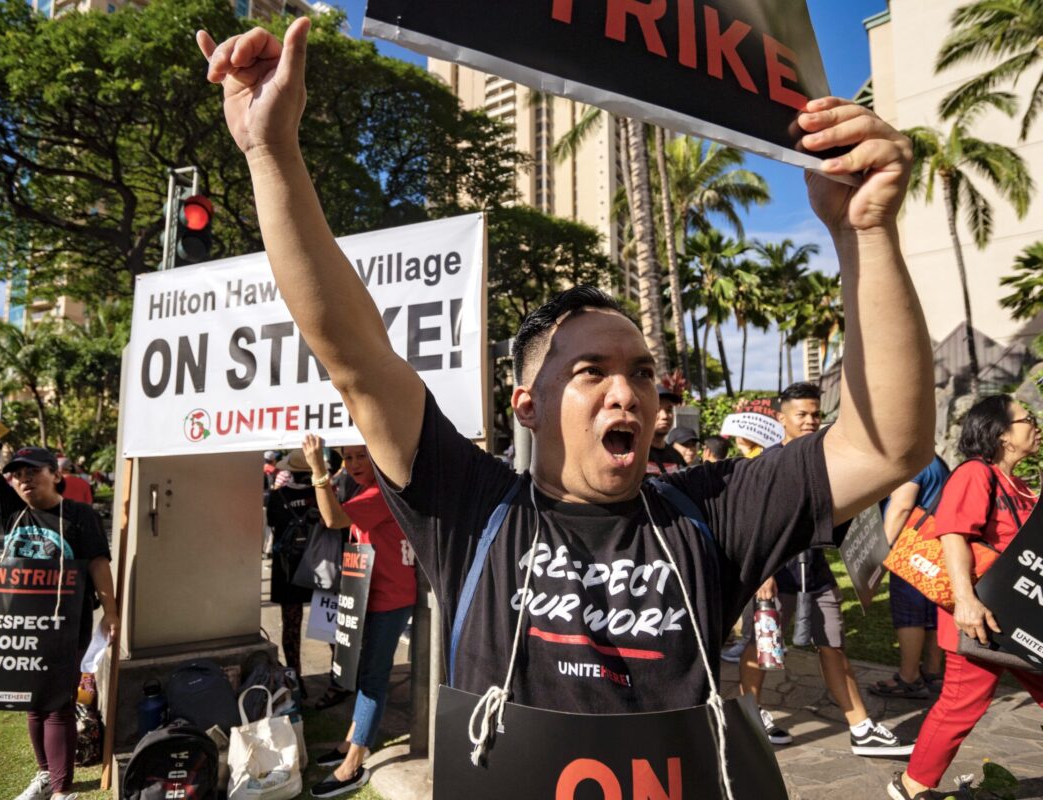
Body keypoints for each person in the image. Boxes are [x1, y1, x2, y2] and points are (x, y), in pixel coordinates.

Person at [197, 11, 932, 771]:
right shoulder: (472, 510)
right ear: (527, 406)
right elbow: (352, 352)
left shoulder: (713, 513)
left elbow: (888, 446)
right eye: (593, 373)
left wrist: (865, 231)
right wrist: (271, 151)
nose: (629, 394)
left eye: (643, 373)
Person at [0, 395, 117, 800]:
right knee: (31, 702)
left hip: (67, 623)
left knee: (59, 702)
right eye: (17, 475)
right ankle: (45, 776)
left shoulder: (80, 517)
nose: (24, 479)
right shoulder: (12, 510)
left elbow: (99, 564)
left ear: (55, 475)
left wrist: (112, 612)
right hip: (19, 622)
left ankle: (62, 789)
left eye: (33, 472)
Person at [737, 383, 912, 755]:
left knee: (832, 644)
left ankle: (861, 727)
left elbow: (848, 516)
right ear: (781, 418)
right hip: (775, 573)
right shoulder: (765, 465)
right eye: (801, 414)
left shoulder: (827, 463)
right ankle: (750, 716)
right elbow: (751, 526)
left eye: (815, 413)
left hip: (816, 572)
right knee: (761, 645)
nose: (810, 420)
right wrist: (761, 574)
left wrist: (868, 558)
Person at [891, 397, 1043, 800]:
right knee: (961, 704)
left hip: (1019, 617)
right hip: (979, 618)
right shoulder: (975, 474)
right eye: (1028, 419)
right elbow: (953, 534)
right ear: (1002, 434)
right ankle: (912, 786)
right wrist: (965, 601)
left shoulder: (1023, 486)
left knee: (962, 703)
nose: (1036, 424)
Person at [301, 435, 416, 798]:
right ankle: (351, 739)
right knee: (363, 671)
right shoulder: (367, 489)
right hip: (368, 596)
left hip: (389, 600)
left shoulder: (379, 493)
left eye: (360, 456)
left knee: (372, 678)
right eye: (347, 457)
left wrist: (318, 469)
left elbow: (333, 518)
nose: (353, 463)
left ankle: (353, 763)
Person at [870, 455, 950, 699]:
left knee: (910, 615)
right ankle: (933, 671)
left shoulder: (913, 463)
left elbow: (902, 506)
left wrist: (880, 552)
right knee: (931, 613)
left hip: (910, 549)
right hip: (934, 550)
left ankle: (909, 678)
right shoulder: (936, 462)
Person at [265, 450, 318, 689]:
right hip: (319, 567)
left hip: (288, 570)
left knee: (291, 625)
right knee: (328, 624)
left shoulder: (277, 497)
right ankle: (340, 680)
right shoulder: (321, 494)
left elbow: (273, 523)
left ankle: (295, 678)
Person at [647, 387, 686, 474]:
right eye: (657, 409)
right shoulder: (633, 454)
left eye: (669, 410)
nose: (665, 416)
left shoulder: (676, 457)